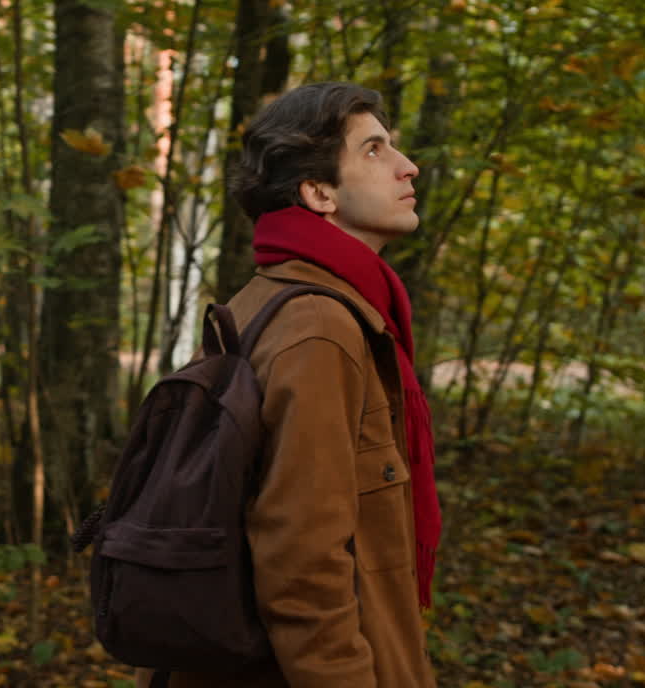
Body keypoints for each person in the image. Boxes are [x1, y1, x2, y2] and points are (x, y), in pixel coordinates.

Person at [137, 82, 441, 687]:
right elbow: (301, 557)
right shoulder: (322, 328)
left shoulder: (268, 298)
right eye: (375, 151)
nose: (409, 167)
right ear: (319, 191)